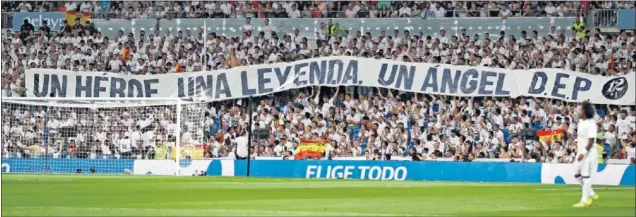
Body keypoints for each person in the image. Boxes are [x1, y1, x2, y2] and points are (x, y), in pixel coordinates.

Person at [573, 101, 599, 208]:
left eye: (580, 109)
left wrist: (583, 153)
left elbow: (591, 141)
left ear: (584, 112)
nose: (578, 111)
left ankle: (584, 200)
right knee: (576, 174)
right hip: (580, 152)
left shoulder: (591, 123)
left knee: (585, 176)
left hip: (588, 154)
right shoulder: (581, 122)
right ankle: (592, 193)